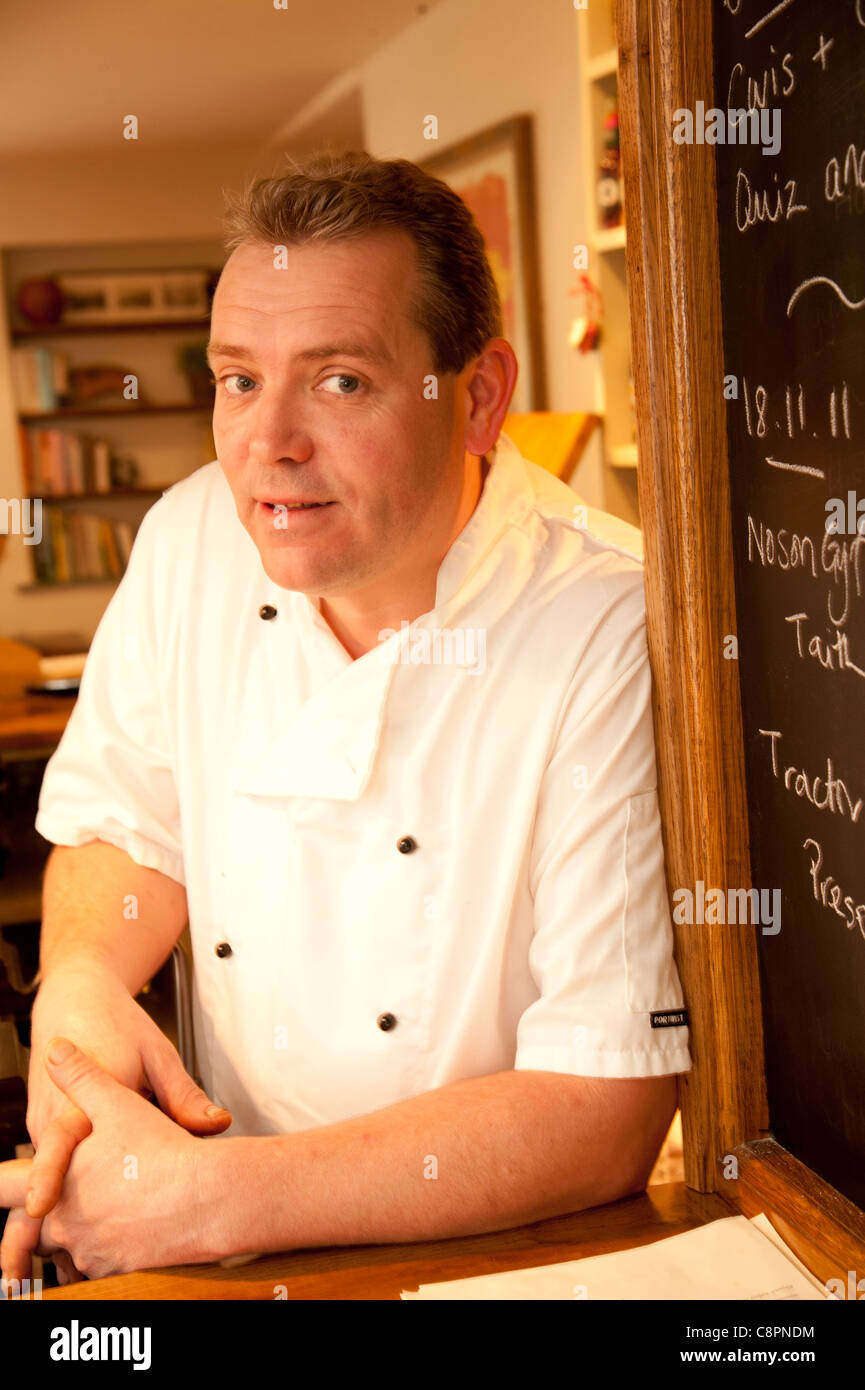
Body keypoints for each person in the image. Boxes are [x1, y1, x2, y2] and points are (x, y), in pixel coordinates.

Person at [0, 151, 691, 1285]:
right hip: (217, 1218)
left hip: (507, 1254)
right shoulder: (188, 541)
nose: (267, 442)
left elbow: (602, 1102)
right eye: (236, 380)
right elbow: (121, 825)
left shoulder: (610, 616)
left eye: (340, 382)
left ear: (475, 396)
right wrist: (80, 977)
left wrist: (207, 1202)